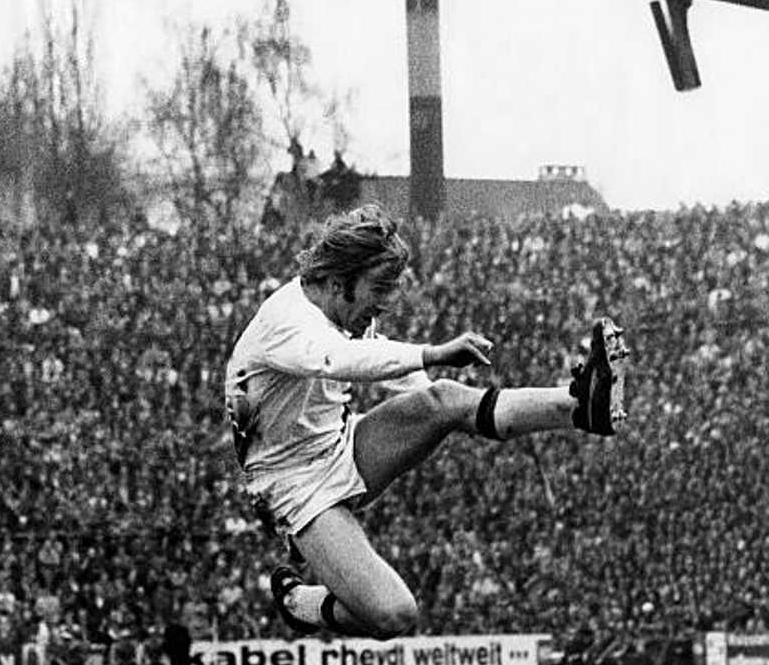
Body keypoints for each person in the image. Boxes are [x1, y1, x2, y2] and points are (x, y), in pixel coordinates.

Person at [224, 204, 629, 640]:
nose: (385, 304)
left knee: (445, 399)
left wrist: (439, 409)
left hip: (339, 443)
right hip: (295, 484)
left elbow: (395, 374)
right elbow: (340, 360)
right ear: (339, 282)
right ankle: (297, 603)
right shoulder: (287, 320)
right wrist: (433, 352)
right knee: (394, 615)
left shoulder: (339, 305)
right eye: (377, 288)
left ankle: (580, 407)